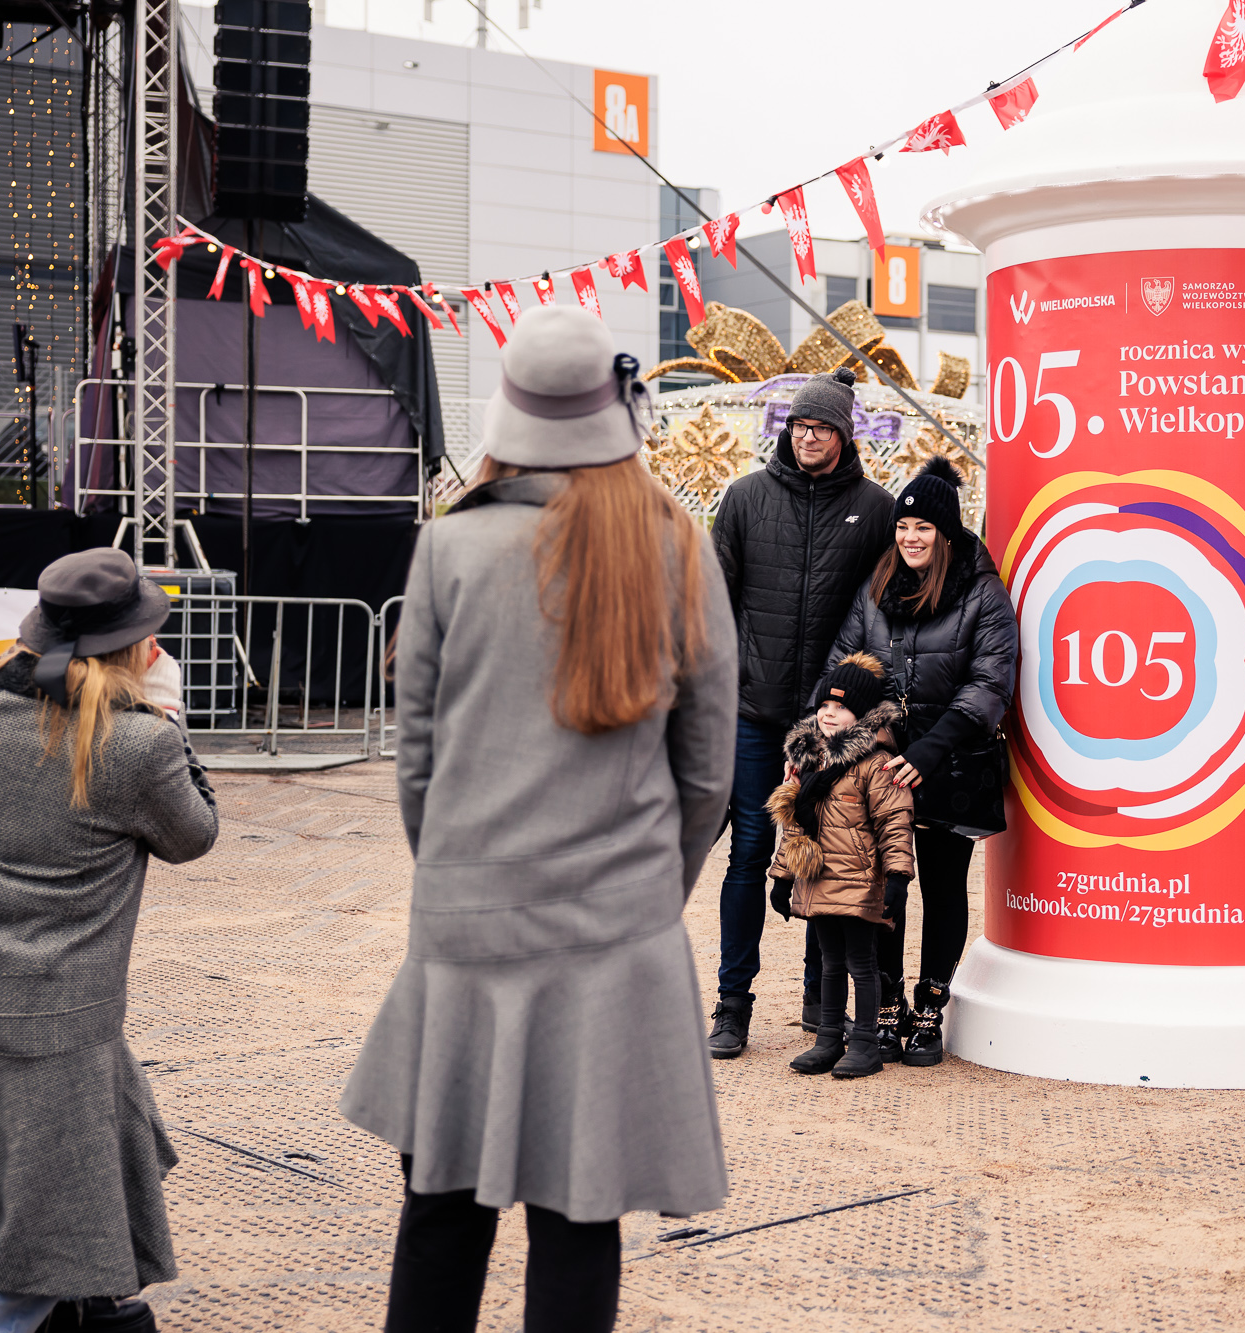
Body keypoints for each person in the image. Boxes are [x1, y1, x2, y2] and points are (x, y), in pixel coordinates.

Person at [340, 307, 737, 1333]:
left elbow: (416, 759)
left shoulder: (451, 546)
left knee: (439, 1211)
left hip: (468, 918)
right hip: (614, 932)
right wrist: (651, 890)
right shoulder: (676, 545)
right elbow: (706, 770)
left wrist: (464, 870)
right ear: (619, 410)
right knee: (579, 1219)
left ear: (509, 413)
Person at [0, 549, 219, 1333]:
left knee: (59, 1177)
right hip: (58, 1016)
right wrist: (167, 718)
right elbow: (194, 835)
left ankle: (87, 1301)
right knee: (44, 1238)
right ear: (134, 647)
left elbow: (19, 680)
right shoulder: (139, 747)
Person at [708, 367, 895, 1059]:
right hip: (753, 713)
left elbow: (881, 615)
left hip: (830, 724)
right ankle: (733, 1005)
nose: (810, 437)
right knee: (751, 853)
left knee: (832, 860)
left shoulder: (875, 509)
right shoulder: (745, 498)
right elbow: (713, 602)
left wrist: (851, 702)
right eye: (801, 426)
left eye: (823, 427)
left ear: (845, 436)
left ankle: (825, 1011)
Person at [821, 457, 1017, 1065]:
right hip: (881, 766)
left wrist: (930, 751)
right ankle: (885, 1010)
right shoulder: (876, 588)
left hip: (953, 763)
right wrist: (833, 725)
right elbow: (845, 665)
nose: (909, 537)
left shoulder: (981, 592)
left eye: (923, 528)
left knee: (941, 884)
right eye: (904, 527)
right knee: (885, 890)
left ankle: (930, 1009)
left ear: (946, 533)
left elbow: (990, 682)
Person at [765, 653, 915, 1079]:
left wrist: (899, 877)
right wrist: (782, 876)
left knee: (861, 962)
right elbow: (794, 823)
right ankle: (829, 1038)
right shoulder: (809, 761)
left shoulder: (875, 764)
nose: (829, 715)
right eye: (824, 707)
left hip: (861, 879)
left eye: (841, 707)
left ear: (862, 714)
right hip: (819, 879)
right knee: (829, 961)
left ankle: (865, 1042)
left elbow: (894, 822)